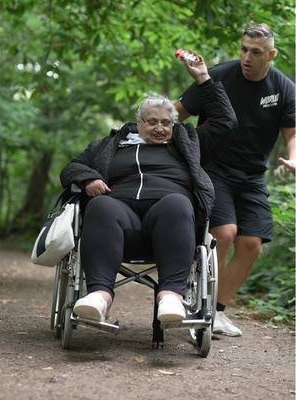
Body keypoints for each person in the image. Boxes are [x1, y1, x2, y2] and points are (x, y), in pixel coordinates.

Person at [60, 57, 237, 324]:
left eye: (166, 122)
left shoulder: (187, 142)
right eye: (152, 122)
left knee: (178, 203)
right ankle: (99, 296)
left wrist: (203, 78)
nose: (159, 128)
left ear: (174, 124)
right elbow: (72, 167)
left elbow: (226, 122)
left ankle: (171, 297)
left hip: (169, 223)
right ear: (138, 123)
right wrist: (88, 180)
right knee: (100, 205)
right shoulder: (110, 145)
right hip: (120, 222)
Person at [175, 23, 295, 336]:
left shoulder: (283, 88)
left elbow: (292, 134)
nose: (247, 57)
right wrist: (146, 135)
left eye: (256, 52)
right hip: (214, 168)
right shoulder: (218, 76)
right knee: (224, 233)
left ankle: (216, 311)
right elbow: (177, 113)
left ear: (270, 55)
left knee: (252, 244)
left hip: (253, 175)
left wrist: (294, 158)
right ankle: (199, 302)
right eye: (243, 49)